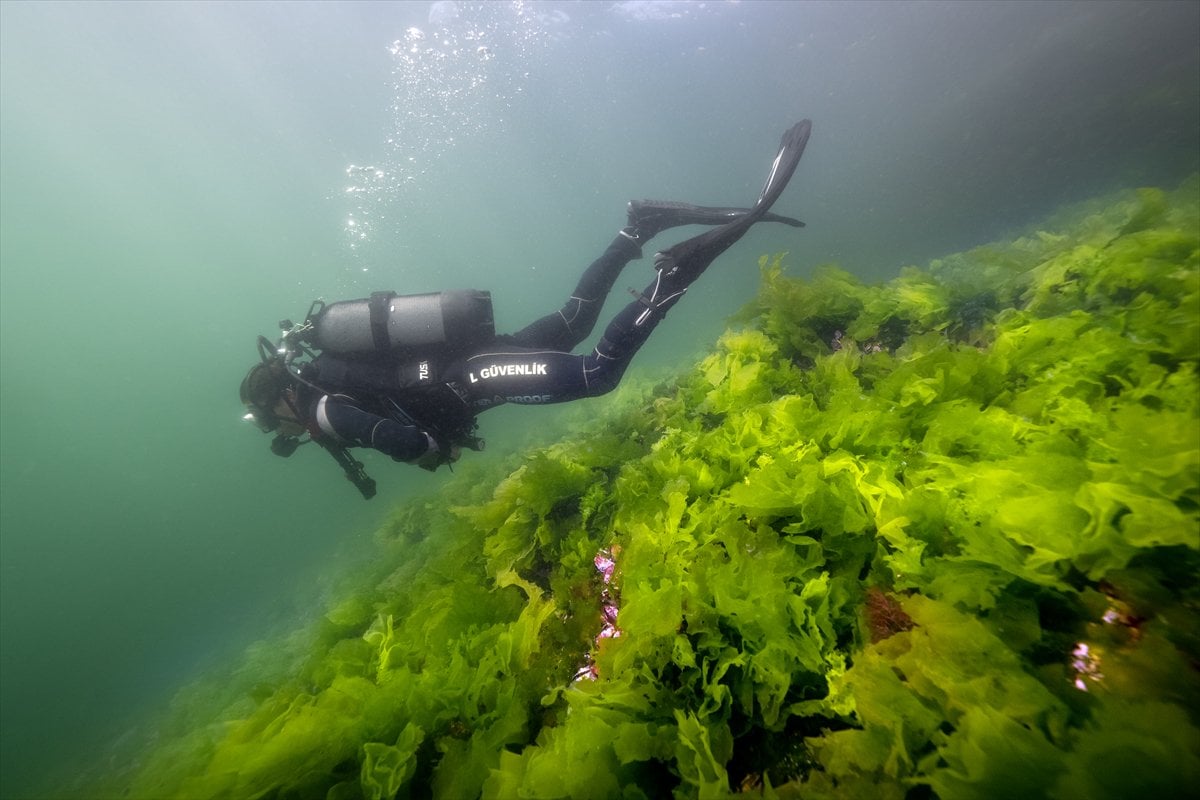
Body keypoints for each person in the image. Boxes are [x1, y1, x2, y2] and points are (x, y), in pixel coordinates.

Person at [240, 121, 812, 498]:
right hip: (468, 362)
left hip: (473, 378)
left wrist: (433, 454)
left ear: (283, 398)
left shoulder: (324, 412)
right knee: (571, 323)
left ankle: (671, 274)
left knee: (597, 373)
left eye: (272, 418)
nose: (280, 429)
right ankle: (634, 227)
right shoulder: (325, 380)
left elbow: (409, 443)